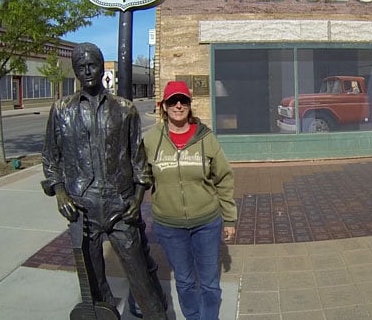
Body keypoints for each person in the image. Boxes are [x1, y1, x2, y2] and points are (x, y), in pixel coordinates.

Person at [41, 42, 167, 320]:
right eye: (81, 67)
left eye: (92, 65)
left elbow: (138, 160)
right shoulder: (61, 110)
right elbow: (51, 158)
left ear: (101, 68)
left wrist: (137, 200)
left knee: (140, 274)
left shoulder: (125, 109)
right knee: (93, 280)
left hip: (120, 206)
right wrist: (60, 192)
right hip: (81, 210)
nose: (87, 71)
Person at [143, 80, 237, 320]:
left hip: (206, 223)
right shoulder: (151, 140)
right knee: (184, 281)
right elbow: (139, 176)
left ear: (189, 105)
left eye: (183, 100)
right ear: (163, 106)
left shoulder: (206, 138)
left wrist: (229, 219)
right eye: (172, 101)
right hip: (170, 226)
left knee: (209, 283)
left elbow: (224, 178)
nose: (178, 105)